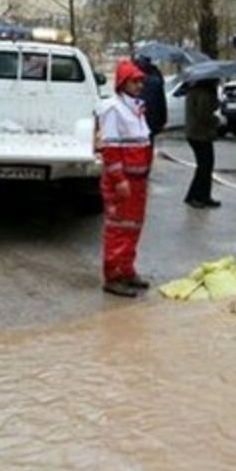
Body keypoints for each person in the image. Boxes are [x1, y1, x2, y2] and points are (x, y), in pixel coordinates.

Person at [98, 59, 154, 298]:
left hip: (138, 179)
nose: (139, 85)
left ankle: (127, 270)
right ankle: (113, 276)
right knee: (118, 229)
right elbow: (110, 148)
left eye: (141, 80)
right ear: (122, 83)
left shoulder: (136, 108)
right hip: (122, 180)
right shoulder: (114, 109)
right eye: (135, 81)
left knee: (133, 227)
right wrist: (119, 179)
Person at [184, 77, 222, 209]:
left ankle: (203, 196)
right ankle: (195, 196)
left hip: (196, 133)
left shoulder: (196, 90)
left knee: (206, 166)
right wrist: (218, 121)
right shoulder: (204, 93)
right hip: (200, 134)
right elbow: (203, 115)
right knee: (204, 166)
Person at [133, 54, 167, 137]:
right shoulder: (156, 79)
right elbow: (161, 103)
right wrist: (162, 121)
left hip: (139, 119)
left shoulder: (134, 79)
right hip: (152, 120)